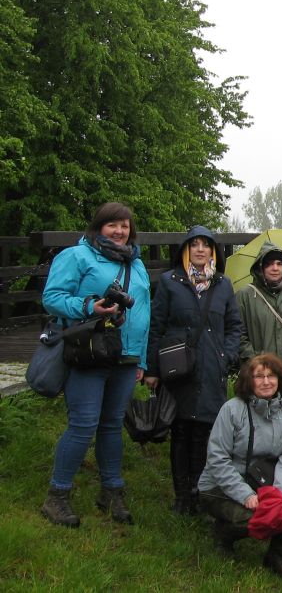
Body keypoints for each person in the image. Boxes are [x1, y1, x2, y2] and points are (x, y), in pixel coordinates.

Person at [40, 202, 151, 527]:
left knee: (112, 425)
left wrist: (142, 359)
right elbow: (51, 296)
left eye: (125, 226)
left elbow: (145, 310)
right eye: (112, 225)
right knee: (84, 424)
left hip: (126, 356)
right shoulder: (77, 256)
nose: (119, 231)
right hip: (90, 351)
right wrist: (88, 304)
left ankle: (111, 491)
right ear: (98, 226)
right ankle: (57, 496)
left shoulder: (137, 262)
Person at [146, 226, 243, 515]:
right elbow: (157, 324)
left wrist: (227, 355)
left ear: (214, 251)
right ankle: (181, 497)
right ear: (185, 249)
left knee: (204, 432)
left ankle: (198, 493)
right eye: (194, 244)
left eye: (206, 245)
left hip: (212, 369)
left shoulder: (223, 285)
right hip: (178, 370)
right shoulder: (169, 281)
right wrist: (152, 368)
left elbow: (234, 325)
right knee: (180, 430)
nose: (200, 249)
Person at [196, 354, 282, 580]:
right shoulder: (231, 409)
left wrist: (280, 495)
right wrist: (245, 494)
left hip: (264, 481)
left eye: (271, 376)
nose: (266, 382)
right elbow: (217, 458)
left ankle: (278, 555)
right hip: (219, 486)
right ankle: (224, 535)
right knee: (253, 517)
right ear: (249, 380)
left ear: (280, 379)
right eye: (259, 376)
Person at [236, 242, 282, 364]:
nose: (275, 268)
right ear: (260, 268)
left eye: (279, 264)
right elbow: (239, 334)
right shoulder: (245, 295)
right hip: (258, 373)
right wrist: (255, 362)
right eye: (269, 264)